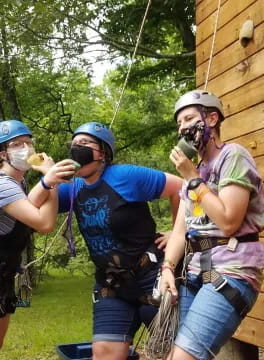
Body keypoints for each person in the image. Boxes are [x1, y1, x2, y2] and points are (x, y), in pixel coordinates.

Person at [56, 122, 182, 360]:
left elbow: (181, 188)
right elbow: (34, 205)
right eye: (73, 145)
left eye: (84, 144)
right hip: (111, 284)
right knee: (104, 354)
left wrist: (176, 233)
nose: (76, 149)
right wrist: (46, 179)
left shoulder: (125, 176)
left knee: (174, 353)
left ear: (102, 152)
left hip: (151, 278)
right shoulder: (73, 188)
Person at [0, 120, 76, 360]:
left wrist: (46, 181)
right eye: (17, 144)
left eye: (29, 142)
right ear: (2, 153)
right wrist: (50, 181)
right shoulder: (0, 184)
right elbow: (43, 224)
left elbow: (30, 203)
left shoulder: (16, 181)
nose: (26, 148)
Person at [160, 90, 264, 360]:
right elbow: (181, 230)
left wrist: (194, 179)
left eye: (188, 118)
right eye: (179, 124)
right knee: (178, 355)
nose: (183, 127)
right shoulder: (192, 170)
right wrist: (167, 267)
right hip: (197, 271)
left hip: (231, 269)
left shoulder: (233, 157)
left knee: (185, 357)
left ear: (211, 118)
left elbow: (229, 222)